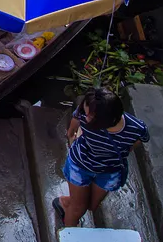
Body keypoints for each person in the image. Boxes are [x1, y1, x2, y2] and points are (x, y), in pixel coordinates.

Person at [53, 88, 150, 228]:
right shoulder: (84, 114)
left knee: (91, 206)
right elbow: (71, 132)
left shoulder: (136, 128)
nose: (86, 118)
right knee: (78, 209)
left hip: (109, 171)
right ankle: (70, 231)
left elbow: (141, 139)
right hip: (80, 166)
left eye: (91, 116)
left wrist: (124, 150)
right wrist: (73, 144)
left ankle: (64, 202)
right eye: (85, 112)